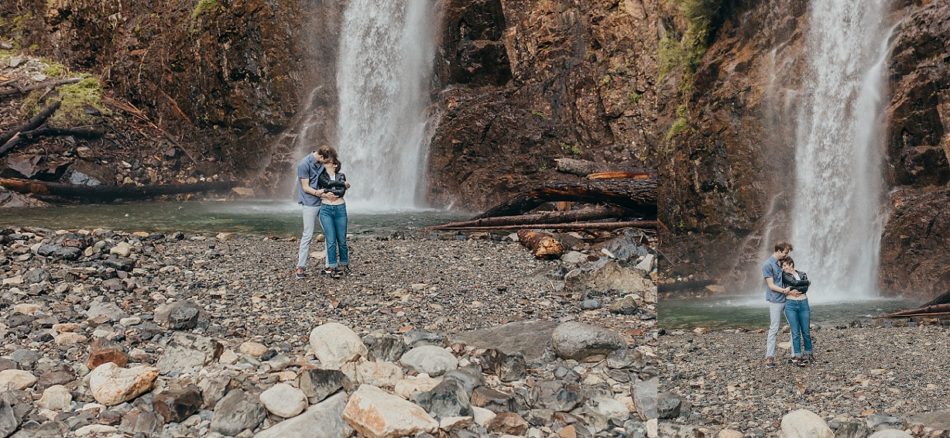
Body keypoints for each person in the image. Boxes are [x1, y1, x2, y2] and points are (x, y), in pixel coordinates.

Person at [315, 146, 351, 278]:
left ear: (335, 164)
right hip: (326, 210)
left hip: (340, 209)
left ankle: (344, 264)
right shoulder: (321, 176)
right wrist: (342, 184)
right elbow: (328, 184)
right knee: (330, 240)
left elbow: (341, 192)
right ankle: (332, 267)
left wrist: (327, 190)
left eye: (328, 162)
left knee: (341, 239)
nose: (325, 164)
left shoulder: (342, 175)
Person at [762, 241, 797, 368]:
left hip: (788, 299)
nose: (786, 255)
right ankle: (769, 358)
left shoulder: (781, 263)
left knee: (794, 327)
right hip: (776, 300)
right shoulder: (768, 264)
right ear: (778, 251)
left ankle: (795, 355)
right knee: (774, 328)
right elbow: (771, 285)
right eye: (785, 252)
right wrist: (784, 290)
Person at [294, 149, 326, 279]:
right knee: (307, 235)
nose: (327, 163)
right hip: (309, 203)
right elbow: (305, 187)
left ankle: (330, 266)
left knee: (330, 233)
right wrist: (320, 193)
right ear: (321, 156)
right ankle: (300, 268)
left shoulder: (322, 163)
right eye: (326, 160)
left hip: (324, 202)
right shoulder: (304, 164)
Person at [781, 257, 813, 365]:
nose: (784, 268)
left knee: (806, 331)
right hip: (790, 305)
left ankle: (809, 354)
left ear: (791, 264)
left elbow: (805, 289)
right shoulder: (784, 275)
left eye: (785, 265)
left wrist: (791, 288)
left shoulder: (802, 273)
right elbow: (794, 282)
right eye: (782, 266)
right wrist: (807, 282)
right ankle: (798, 357)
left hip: (803, 303)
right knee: (795, 333)